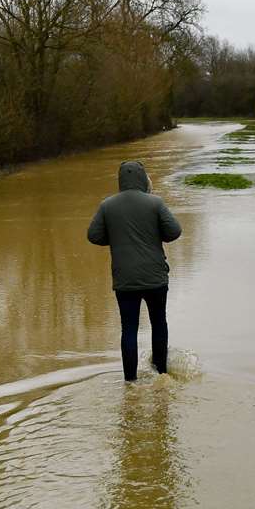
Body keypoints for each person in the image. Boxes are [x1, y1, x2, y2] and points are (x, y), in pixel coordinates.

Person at [87, 160, 182, 382]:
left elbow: (93, 236)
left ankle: (130, 381)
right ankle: (161, 375)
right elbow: (174, 232)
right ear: (143, 178)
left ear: (120, 180)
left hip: (124, 279)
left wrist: (116, 238)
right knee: (159, 322)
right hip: (155, 277)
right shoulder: (155, 203)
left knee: (128, 328)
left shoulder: (107, 206)